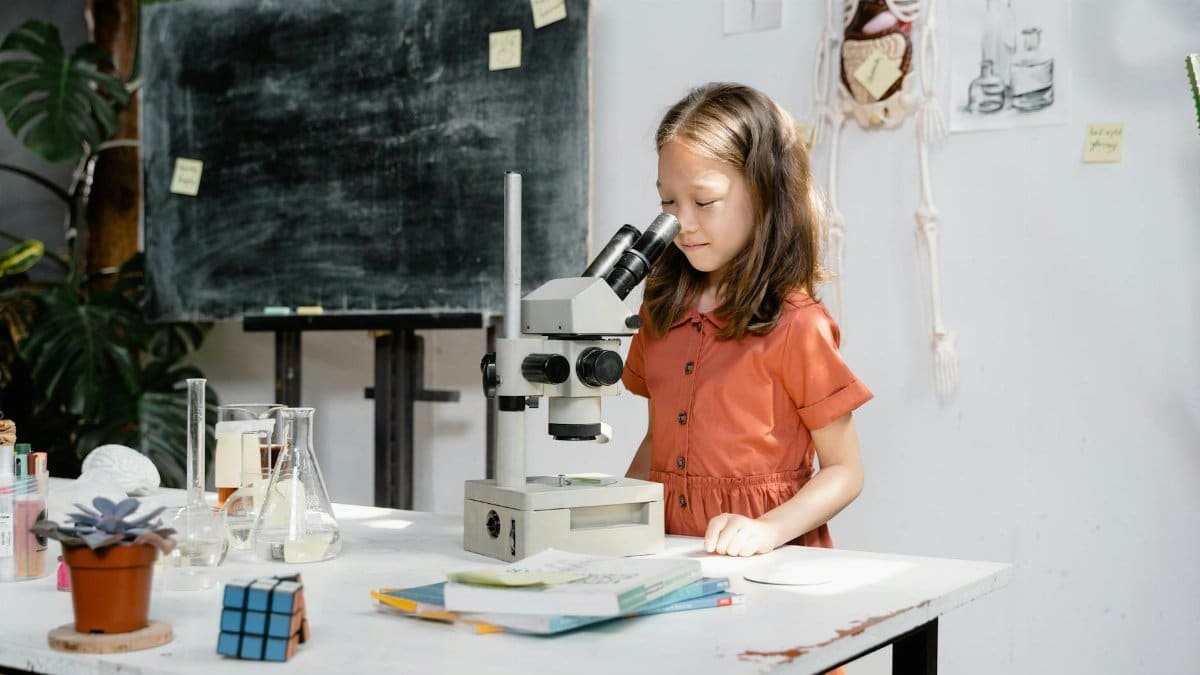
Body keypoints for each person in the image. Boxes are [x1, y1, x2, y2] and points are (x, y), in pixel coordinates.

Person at [623, 82, 873, 558]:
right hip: (675, 555)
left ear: (764, 194)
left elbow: (845, 471)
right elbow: (657, 441)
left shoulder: (798, 325)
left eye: (704, 202)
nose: (682, 223)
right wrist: (615, 519)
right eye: (668, 203)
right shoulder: (660, 313)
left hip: (770, 562)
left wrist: (766, 530)